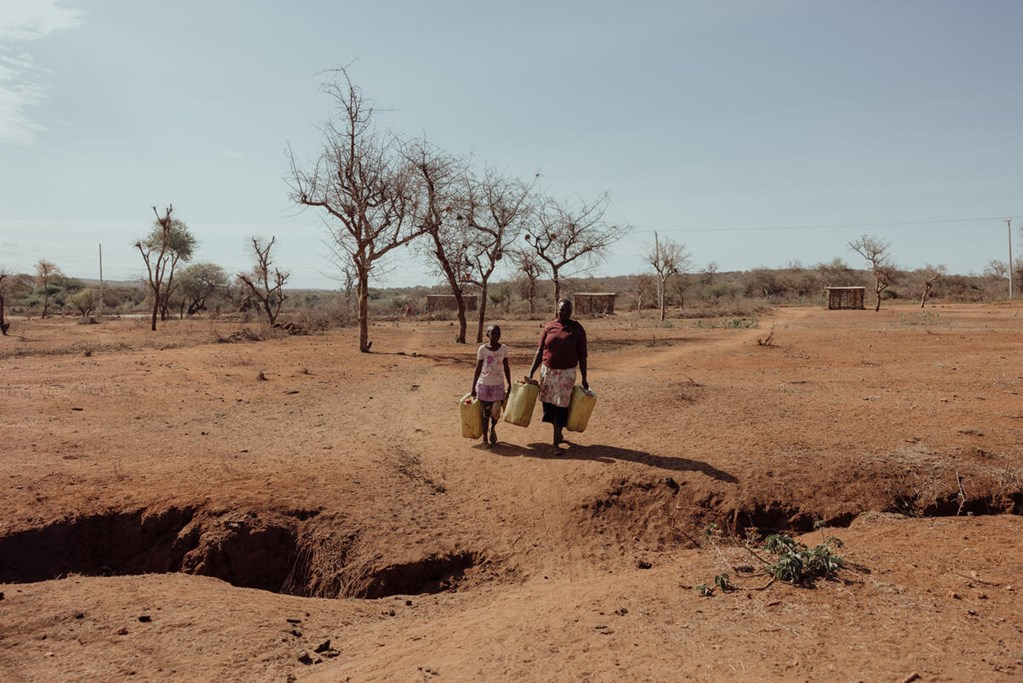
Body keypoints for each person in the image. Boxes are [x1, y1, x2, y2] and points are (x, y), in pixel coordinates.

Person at [528, 298, 588, 452]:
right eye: (562, 310)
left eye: (568, 310)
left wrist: (585, 378)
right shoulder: (549, 326)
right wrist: (531, 372)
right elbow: (540, 350)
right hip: (547, 373)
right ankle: (558, 433)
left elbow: (582, 356)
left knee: (561, 406)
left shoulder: (577, 329)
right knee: (549, 407)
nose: (565, 313)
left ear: (571, 311)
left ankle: (555, 444)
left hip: (566, 374)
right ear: (557, 310)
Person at [471, 324, 512, 446]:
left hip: (498, 385)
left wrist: (510, 383)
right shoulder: (482, 349)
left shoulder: (503, 348)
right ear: (487, 334)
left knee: (495, 412)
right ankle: (484, 438)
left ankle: (492, 428)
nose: (496, 336)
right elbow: (478, 368)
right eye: (493, 333)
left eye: (498, 333)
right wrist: (473, 387)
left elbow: (506, 366)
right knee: (485, 412)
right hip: (484, 385)